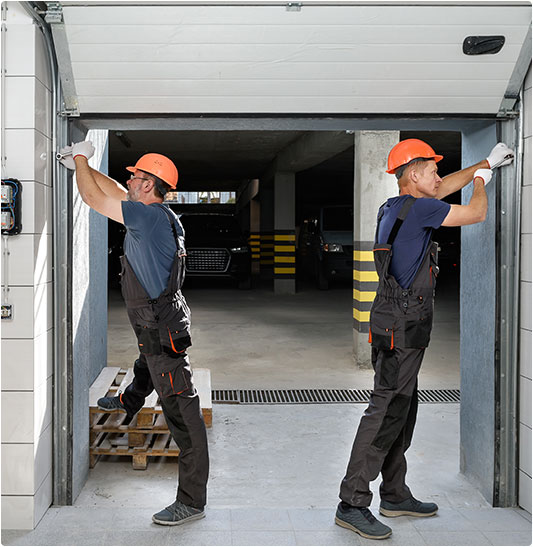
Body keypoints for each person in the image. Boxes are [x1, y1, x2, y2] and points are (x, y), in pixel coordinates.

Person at [335, 139, 514, 540]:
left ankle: (395, 494)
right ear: (413, 174)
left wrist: (485, 162)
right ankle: (351, 502)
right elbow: (476, 212)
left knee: (403, 407)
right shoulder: (423, 209)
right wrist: (483, 180)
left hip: (392, 324)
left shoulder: (395, 207)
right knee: (385, 411)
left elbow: (444, 188)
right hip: (403, 326)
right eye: (431, 169)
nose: (438, 175)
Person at [58, 141, 209, 527]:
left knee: (183, 415)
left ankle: (191, 501)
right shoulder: (156, 214)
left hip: (160, 328)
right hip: (159, 322)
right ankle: (129, 401)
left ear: (147, 185)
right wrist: (82, 166)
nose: (129, 182)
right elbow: (111, 190)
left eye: (135, 177)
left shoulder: (148, 219)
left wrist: (81, 161)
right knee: (147, 364)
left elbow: (94, 199)